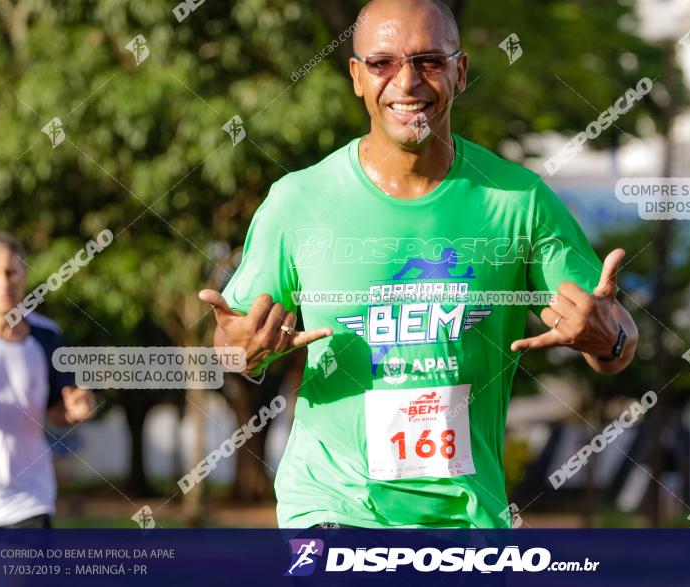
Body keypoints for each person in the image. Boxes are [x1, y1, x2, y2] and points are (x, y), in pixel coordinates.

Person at [200, 0, 638, 528]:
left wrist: (607, 338)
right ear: (357, 77)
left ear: (461, 71)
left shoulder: (519, 200)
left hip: (470, 519)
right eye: (382, 63)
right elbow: (232, 343)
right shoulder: (299, 201)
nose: (406, 82)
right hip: (333, 507)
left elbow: (616, 339)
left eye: (429, 60)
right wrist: (239, 351)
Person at [0, 232, 96, 529]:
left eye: (11, 272)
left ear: (24, 274)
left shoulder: (47, 336)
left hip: (26, 501)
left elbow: (59, 410)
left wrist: (78, 408)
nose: (3, 283)